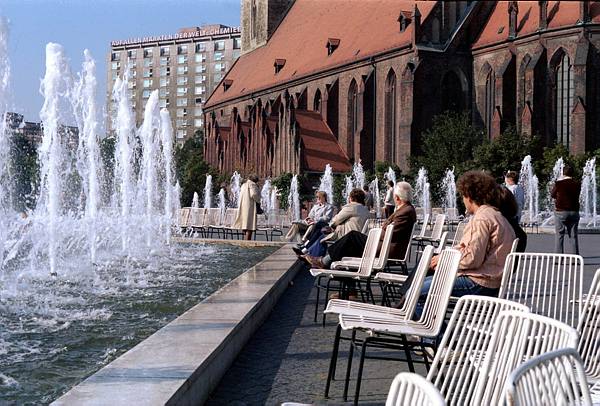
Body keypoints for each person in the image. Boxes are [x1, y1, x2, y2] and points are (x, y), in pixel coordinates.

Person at [422, 171, 516, 303]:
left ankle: (435, 324)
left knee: (416, 292)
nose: (463, 200)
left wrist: (444, 259)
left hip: (479, 282)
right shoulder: (497, 216)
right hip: (491, 281)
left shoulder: (482, 218)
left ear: (469, 196)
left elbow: (472, 258)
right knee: (424, 283)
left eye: (463, 196)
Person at [304, 181, 416, 269]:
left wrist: (378, 230)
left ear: (396, 197)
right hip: (386, 246)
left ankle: (323, 261)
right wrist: (382, 228)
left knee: (352, 237)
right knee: (350, 246)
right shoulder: (405, 210)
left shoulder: (405, 212)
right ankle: (348, 289)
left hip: (388, 249)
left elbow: (390, 234)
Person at [295, 188, 369, 257]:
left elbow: (336, 220)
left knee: (322, 233)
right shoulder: (365, 209)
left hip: (347, 236)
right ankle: (307, 251)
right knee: (321, 230)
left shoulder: (352, 207)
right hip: (356, 235)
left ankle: (309, 254)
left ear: (351, 198)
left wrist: (331, 226)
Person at [551, 164, 581, 254]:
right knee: (573, 236)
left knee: (559, 235)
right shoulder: (577, 184)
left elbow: (552, 195)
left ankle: (558, 258)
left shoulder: (559, 183)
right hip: (574, 211)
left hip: (561, 211)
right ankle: (575, 258)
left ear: (563, 173)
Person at [232, 174, 261, 240]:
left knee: (245, 225)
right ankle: (247, 243)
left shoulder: (243, 185)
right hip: (249, 206)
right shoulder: (252, 184)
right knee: (249, 226)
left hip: (243, 206)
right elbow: (253, 194)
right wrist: (259, 200)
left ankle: (244, 242)